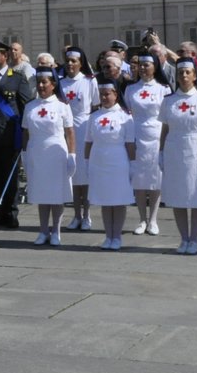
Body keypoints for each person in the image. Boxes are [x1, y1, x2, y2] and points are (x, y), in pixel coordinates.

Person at [159, 59, 197, 254]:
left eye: (187, 72)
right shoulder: (168, 100)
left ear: (194, 75)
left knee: (196, 195)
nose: (183, 76)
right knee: (178, 195)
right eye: (181, 72)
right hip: (174, 149)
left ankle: (194, 238)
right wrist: (160, 152)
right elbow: (165, 128)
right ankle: (183, 238)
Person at [0, 37, 35, 230]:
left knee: (11, 178)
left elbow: (26, 106)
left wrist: (25, 133)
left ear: (5, 56)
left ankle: (11, 214)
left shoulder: (17, 78)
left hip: (10, 134)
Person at [22, 68, 76, 245]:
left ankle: (56, 231)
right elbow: (25, 132)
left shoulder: (62, 106)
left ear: (53, 84)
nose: (41, 85)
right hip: (36, 151)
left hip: (56, 151)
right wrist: (24, 153)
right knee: (41, 193)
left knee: (56, 194)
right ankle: (43, 230)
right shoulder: (30, 106)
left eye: (45, 82)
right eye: (38, 82)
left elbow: (70, 132)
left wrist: (72, 155)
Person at [84, 83, 135, 250]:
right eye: (102, 94)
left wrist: (132, 164)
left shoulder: (125, 117)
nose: (104, 98)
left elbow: (130, 144)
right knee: (105, 200)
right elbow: (88, 142)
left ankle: (117, 236)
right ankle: (108, 235)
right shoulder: (94, 116)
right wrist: (86, 163)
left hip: (118, 159)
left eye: (107, 94)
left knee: (118, 200)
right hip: (99, 160)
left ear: (115, 95)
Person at [124, 51, 169, 236]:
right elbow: (127, 113)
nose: (143, 68)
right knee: (139, 180)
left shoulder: (163, 89)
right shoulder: (130, 89)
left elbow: (166, 115)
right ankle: (142, 219)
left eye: (147, 65)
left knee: (155, 180)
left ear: (155, 67)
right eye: (140, 65)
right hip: (136, 134)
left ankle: (153, 219)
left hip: (156, 135)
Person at [58, 48, 99, 229]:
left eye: (74, 61)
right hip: (66, 129)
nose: (70, 64)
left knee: (86, 175)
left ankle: (87, 214)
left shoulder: (89, 81)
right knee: (72, 176)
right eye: (68, 61)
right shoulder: (60, 83)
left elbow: (96, 106)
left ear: (81, 63)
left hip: (85, 128)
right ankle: (75, 215)